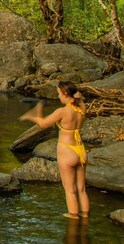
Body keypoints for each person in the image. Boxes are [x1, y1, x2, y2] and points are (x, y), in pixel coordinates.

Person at [19, 81, 90, 219]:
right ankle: (85, 217)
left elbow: (44, 124)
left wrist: (32, 116)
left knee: (70, 190)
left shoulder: (62, 112)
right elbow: (80, 99)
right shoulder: (82, 109)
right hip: (81, 151)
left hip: (67, 151)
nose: (58, 97)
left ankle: (73, 216)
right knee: (81, 189)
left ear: (65, 94)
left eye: (59, 94)